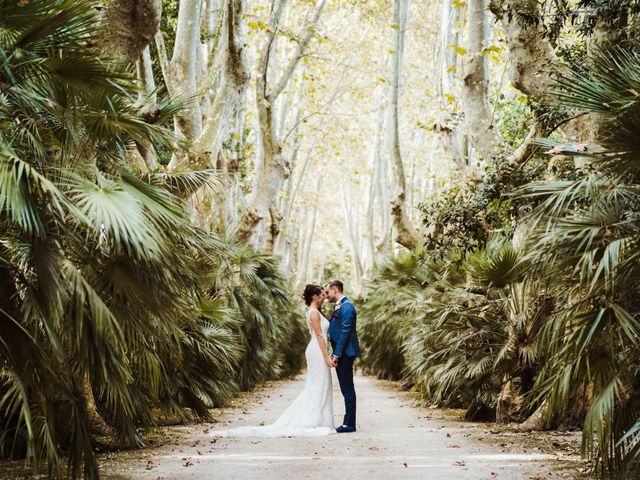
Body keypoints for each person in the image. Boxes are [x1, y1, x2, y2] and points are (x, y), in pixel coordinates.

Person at [209, 284, 335, 437]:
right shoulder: (314, 313)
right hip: (317, 351)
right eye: (322, 295)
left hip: (316, 349)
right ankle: (312, 420)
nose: (324, 297)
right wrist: (327, 356)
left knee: (321, 384)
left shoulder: (315, 312)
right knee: (317, 385)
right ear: (314, 297)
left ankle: (321, 419)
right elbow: (320, 336)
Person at [325, 280, 360, 433]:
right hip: (343, 353)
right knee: (346, 389)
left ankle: (349, 424)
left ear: (335, 290)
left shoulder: (347, 307)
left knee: (347, 389)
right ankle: (349, 422)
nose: (326, 296)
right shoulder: (342, 306)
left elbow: (345, 332)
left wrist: (336, 354)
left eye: (328, 292)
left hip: (345, 354)